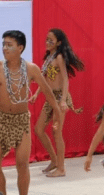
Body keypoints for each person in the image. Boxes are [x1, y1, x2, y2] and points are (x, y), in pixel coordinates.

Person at [0, 30, 61, 195]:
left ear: (20, 48)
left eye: (9, 45)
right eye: (3, 45)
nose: (4, 48)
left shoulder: (31, 69)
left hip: (21, 122)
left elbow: (47, 90)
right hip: (0, 120)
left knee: (22, 165)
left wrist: (57, 111)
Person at [29, 28, 85, 177]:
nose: (47, 42)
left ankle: (61, 169)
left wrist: (63, 100)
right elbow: (44, 78)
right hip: (50, 98)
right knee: (38, 129)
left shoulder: (59, 57)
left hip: (60, 98)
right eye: (47, 39)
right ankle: (54, 160)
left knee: (56, 132)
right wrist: (36, 94)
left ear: (58, 43)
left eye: (51, 40)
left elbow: (66, 79)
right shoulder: (48, 57)